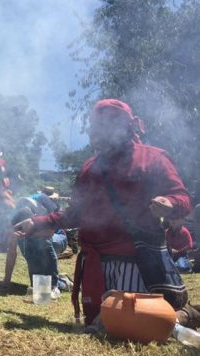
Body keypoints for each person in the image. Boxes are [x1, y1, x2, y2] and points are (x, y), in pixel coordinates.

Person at [14, 99, 194, 327]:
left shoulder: (153, 159)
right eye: (92, 125)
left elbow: (183, 198)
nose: (91, 132)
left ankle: (184, 316)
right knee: (100, 326)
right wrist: (36, 223)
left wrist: (169, 203)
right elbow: (76, 214)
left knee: (136, 326)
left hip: (136, 264)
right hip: (96, 266)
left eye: (97, 126)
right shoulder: (89, 168)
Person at [4, 196, 68, 298]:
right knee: (27, 244)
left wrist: (32, 234)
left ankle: (54, 285)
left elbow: (50, 233)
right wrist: (6, 281)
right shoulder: (15, 219)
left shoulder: (45, 204)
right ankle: (58, 282)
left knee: (40, 241)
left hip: (59, 237)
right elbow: (12, 252)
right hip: (38, 236)